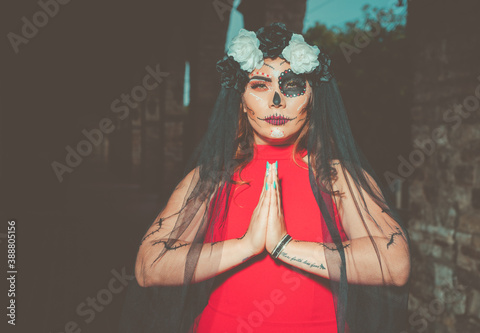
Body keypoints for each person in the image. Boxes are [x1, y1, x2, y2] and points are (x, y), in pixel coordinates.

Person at [118, 22, 412, 333]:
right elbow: (148, 267)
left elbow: (396, 266)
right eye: (260, 85)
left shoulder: (338, 176)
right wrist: (246, 246)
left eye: (293, 85)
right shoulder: (211, 177)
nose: (276, 101)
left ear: (312, 99)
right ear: (241, 101)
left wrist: (286, 246)